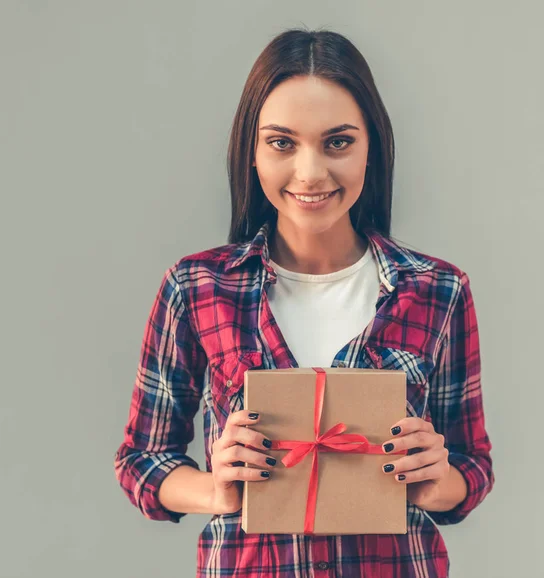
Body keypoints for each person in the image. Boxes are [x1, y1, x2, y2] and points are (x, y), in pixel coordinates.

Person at [114, 27, 494, 578]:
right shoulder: (196, 287)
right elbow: (141, 462)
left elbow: (472, 466)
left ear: (373, 150)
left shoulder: (437, 290)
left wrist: (440, 480)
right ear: (252, 150)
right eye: (282, 142)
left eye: (338, 141)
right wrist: (215, 489)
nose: (310, 172)